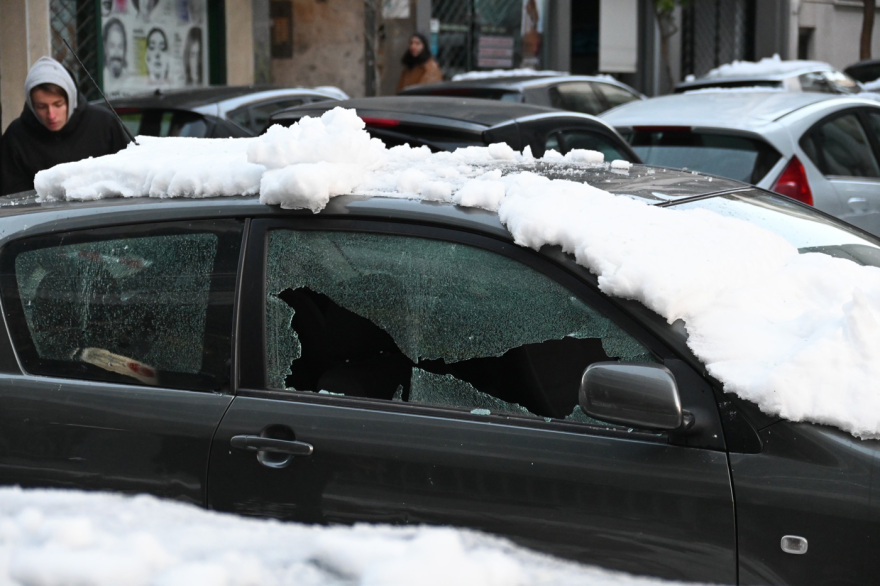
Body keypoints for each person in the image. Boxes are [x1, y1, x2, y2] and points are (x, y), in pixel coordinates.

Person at [0, 56, 130, 196]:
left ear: (71, 98)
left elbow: (128, 177)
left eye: (58, 105)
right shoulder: (16, 136)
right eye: (41, 106)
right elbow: (12, 197)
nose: (51, 115)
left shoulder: (104, 124)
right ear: (31, 105)